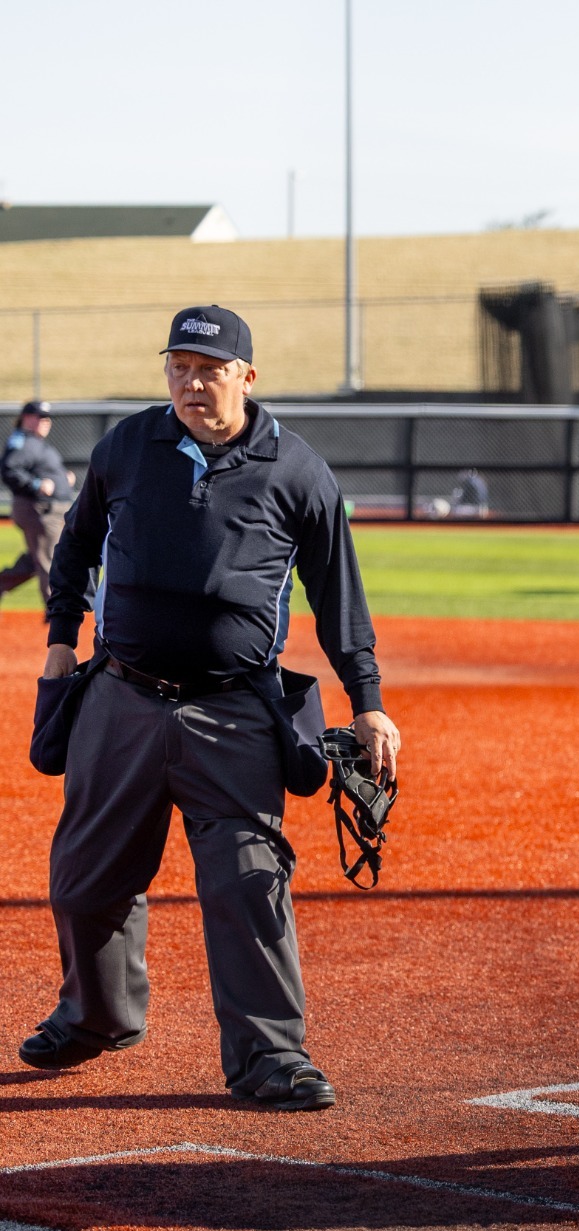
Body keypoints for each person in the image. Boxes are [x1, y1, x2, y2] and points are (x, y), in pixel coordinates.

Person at [18, 305, 403, 1114]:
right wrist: (61, 639)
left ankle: (272, 1055)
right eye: (179, 367)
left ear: (247, 378)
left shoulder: (295, 469)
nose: (192, 383)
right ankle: (96, 1017)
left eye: (210, 369)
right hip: (119, 696)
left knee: (246, 880)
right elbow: (78, 544)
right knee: (85, 879)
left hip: (233, 714)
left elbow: (339, 595)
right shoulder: (127, 446)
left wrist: (368, 703)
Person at [1, 401, 75, 611]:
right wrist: (36, 484)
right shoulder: (22, 441)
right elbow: (9, 470)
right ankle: (56, 614)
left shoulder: (35, 442)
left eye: (47, 418)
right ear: (26, 418)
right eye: (39, 417)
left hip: (51, 509)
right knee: (49, 560)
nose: (45, 422)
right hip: (40, 509)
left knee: (36, 559)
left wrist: (62, 479)